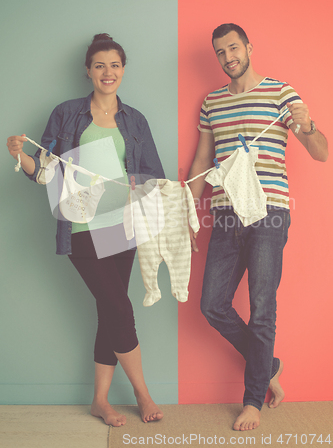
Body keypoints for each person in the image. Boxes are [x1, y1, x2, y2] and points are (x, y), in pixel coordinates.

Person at [7, 33, 165, 427]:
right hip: (81, 226)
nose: (107, 72)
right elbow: (44, 172)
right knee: (118, 307)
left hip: (123, 224)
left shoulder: (136, 120)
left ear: (123, 70)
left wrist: (137, 183)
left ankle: (99, 401)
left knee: (108, 310)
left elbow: (153, 178)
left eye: (114, 65)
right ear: (88, 72)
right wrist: (19, 157)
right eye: (99, 65)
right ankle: (143, 394)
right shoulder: (66, 114)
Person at [188, 23, 328, 431]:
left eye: (233, 47)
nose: (228, 56)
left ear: (249, 47)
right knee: (212, 304)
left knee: (263, 307)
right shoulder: (212, 102)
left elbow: (320, 152)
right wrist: (189, 207)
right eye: (220, 51)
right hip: (226, 210)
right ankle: (270, 365)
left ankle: (253, 401)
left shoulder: (281, 93)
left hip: (269, 210)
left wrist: (307, 123)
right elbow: (201, 161)